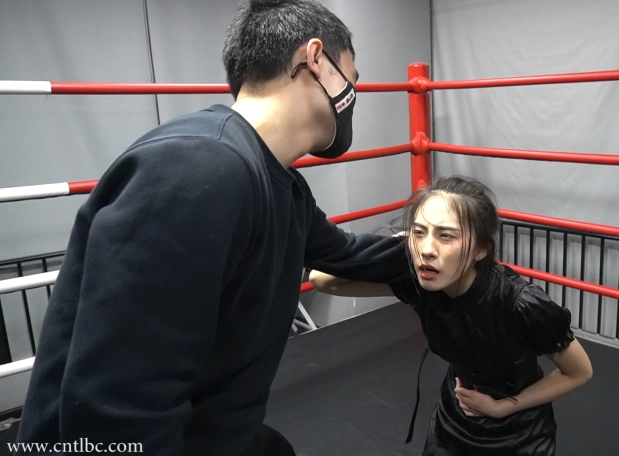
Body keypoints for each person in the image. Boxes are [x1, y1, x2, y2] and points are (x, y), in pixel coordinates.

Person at [15, 1, 409, 455]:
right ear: (315, 59)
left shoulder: (282, 187)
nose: (353, 95)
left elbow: (348, 254)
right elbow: (118, 406)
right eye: (352, 79)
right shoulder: (196, 167)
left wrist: (456, 248)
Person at [310, 176, 593, 455]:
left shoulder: (521, 302)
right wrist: (402, 243)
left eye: (445, 236)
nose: (427, 250)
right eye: (419, 232)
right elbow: (322, 280)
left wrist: (502, 407)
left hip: (519, 428)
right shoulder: (419, 286)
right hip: (454, 417)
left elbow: (579, 372)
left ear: (481, 249)